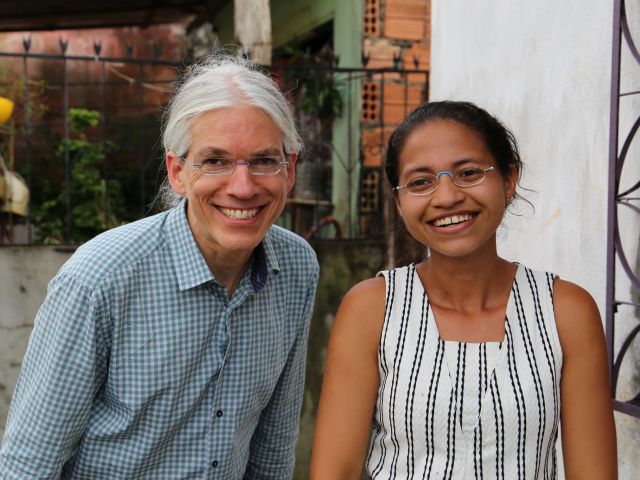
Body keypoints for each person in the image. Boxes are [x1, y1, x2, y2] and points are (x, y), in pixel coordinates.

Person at [0, 54, 319, 479]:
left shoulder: (297, 268)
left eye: (263, 161)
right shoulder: (99, 279)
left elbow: (273, 449)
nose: (243, 187)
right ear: (177, 172)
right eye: (215, 161)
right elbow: (28, 464)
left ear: (290, 169)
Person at [310, 101, 616, 479]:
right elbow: (333, 471)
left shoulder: (565, 311)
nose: (446, 196)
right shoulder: (372, 309)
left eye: (469, 172)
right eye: (420, 182)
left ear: (508, 180)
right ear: (400, 203)